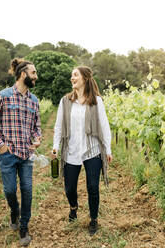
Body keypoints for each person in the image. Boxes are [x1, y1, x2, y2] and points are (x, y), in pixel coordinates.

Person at [0, 58, 41, 246]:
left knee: (27, 190)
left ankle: (24, 227)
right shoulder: (3, 95)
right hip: (7, 154)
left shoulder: (34, 100)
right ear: (23, 74)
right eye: (33, 73)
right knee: (10, 191)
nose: (36, 76)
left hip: (26, 155)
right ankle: (14, 212)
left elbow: (36, 127)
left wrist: (37, 138)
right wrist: (0, 145)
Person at [51, 66, 112, 236]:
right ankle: (73, 207)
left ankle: (93, 220)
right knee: (69, 188)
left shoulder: (96, 101)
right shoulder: (65, 101)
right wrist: (55, 147)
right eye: (71, 75)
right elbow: (58, 126)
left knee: (93, 187)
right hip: (71, 151)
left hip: (92, 150)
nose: (72, 78)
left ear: (84, 78)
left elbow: (104, 126)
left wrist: (108, 149)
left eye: (75, 75)